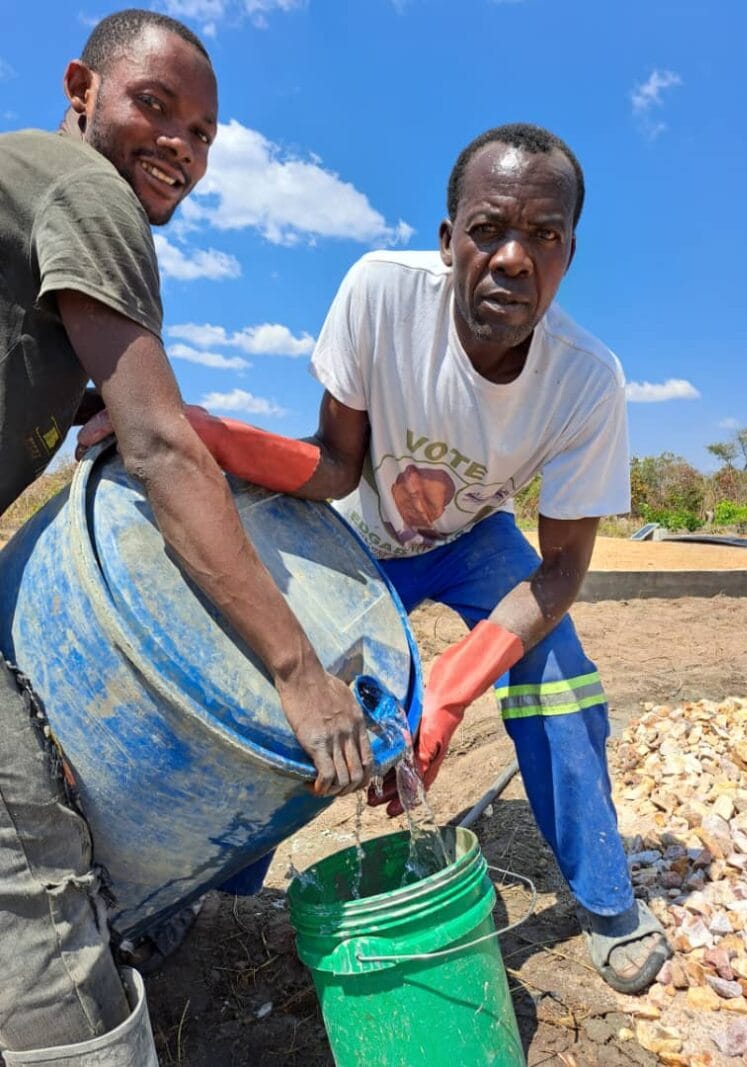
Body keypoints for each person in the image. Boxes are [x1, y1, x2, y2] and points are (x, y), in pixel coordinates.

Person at [94, 122, 671, 996]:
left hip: (477, 543)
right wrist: (205, 433)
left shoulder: (587, 380)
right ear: (449, 243)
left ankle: (606, 898)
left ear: (567, 256)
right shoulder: (380, 294)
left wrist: (447, 689)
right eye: (488, 229)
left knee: (560, 675)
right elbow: (331, 465)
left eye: (542, 236)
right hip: (356, 531)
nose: (512, 258)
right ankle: (208, 889)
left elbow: (557, 571)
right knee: (280, 690)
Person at [0, 9, 372, 1062]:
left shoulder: (30, 190)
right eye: (153, 108)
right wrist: (298, 670)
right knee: (35, 872)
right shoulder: (87, 191)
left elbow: (115, 419)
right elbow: (163, 451)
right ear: (80, 89)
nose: (181, 147)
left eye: (203, 134)